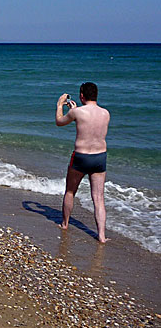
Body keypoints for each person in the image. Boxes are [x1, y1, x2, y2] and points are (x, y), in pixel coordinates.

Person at [55, 82, 110, 243]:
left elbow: (60, 121)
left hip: (81, 156)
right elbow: (90, 124)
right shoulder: (106, 113)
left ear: (81, 96)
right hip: (100, 157)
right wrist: (74, 111)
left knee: (70, 191)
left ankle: (65, 224)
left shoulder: (77, 113)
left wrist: (60, 105)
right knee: (99, 198)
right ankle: (101, 235)